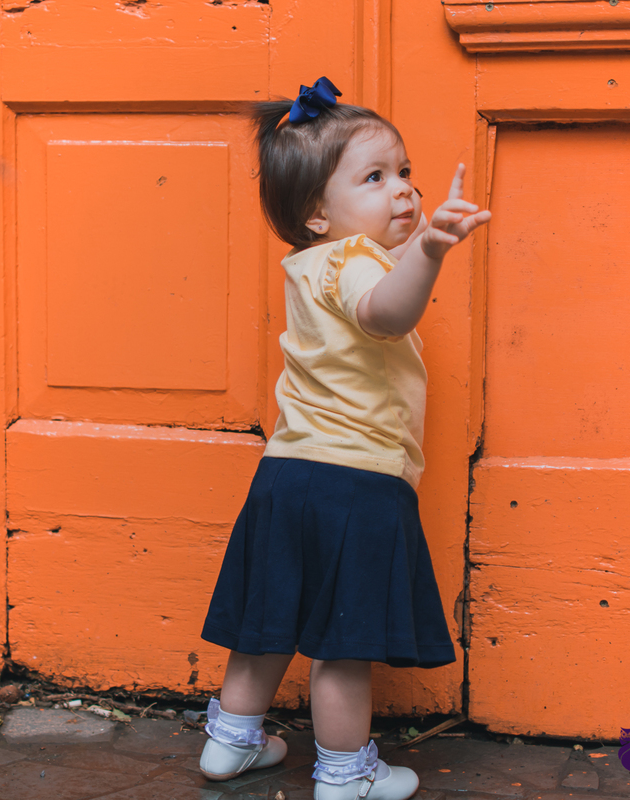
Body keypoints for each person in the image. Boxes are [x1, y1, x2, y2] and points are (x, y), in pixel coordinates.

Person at [196, 77, 491, 800]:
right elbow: (385, 316)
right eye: (375, 177)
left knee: (265, 625)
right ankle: (346, 773)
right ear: (318, 216)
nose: (403, 191)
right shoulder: (358, 261)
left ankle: (230, 744)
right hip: (355, 482)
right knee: (342, 643)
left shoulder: (308, 264)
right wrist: (429, 249)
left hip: (287, 475)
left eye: (404, 173)